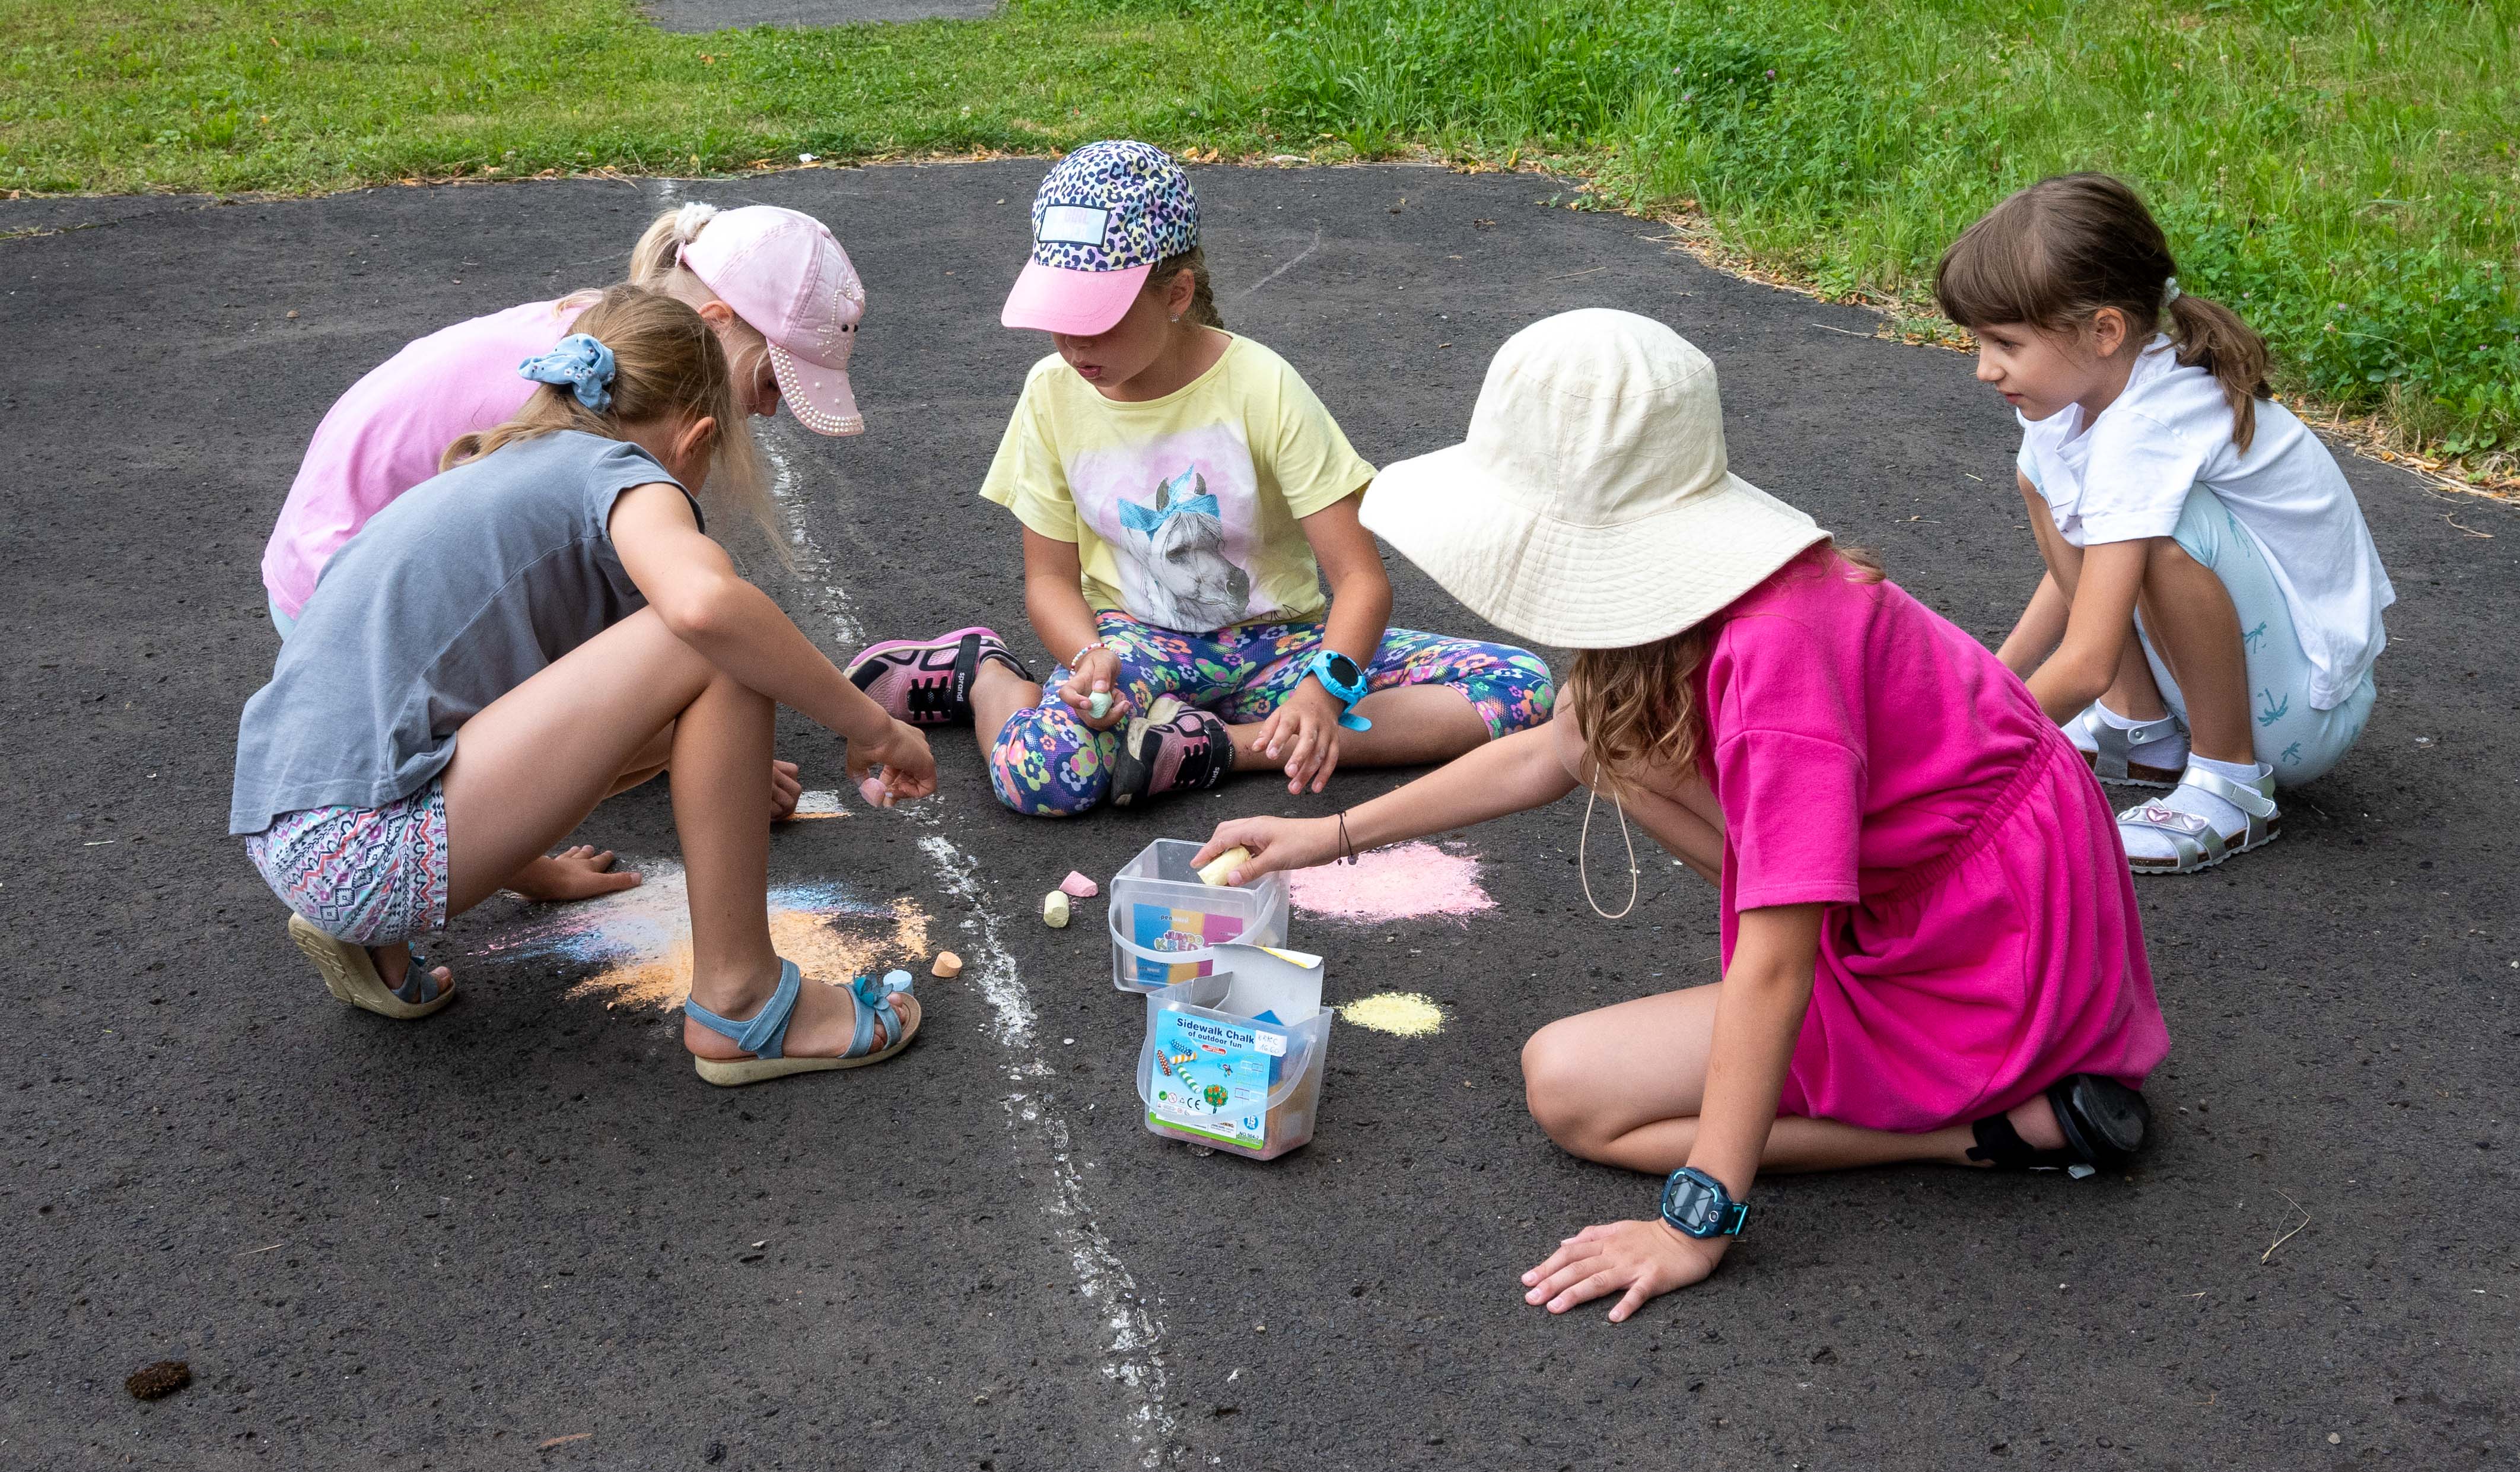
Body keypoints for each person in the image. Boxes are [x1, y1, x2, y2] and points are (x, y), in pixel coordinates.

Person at [1194, 310, 2169, 1321]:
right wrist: (1327, 838)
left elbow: (1776, 961)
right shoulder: (1745, 591)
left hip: (1984, 958)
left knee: (1569, 1088)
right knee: (1597, 727)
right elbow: (1555, 749)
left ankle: (1991, 1129)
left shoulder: (1777, 661)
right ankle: (1958, 1090)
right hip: (1964, 890)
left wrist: (1695, 1221)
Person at [231, 287, 934, 1087]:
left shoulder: (490, 469)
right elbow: (706, 610)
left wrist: (532, 870)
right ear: (697, 438)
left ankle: (373, 945)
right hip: (367, 853)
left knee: (672, 694)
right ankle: (741, 997)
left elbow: (490, 719)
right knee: (716, 650)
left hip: (296, 834)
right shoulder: (621, 472)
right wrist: (873, 727)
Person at [847, 140, 1554, 815]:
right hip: (1135, 646)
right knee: (1041, 774)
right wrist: (1089, 658)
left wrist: (1322, 693)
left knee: (1521, 688)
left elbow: (1361, 582)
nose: (1073, 343)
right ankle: (986, 677)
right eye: (1058, 316)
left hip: (1279, 647)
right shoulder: (1050, 393)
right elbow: (1049, 581)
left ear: (1177, 292)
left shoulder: (1263, 386)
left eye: (1096, 318)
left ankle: (1209, 748)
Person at [259, 200, 868, 898]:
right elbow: (677, 618)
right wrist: (722, 750)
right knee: (700, 651)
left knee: (666, 663)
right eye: (770, 381)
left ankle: (389, 914)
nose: (768, 409)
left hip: (321, 729)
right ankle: (735, 979)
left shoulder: (590, 358)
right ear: (714, 324)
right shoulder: (573, 420)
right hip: (340, 632)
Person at [1936, 173, 2394, 874]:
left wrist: (1967, 752)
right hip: (2236, 674)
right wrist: (1994, 685)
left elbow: (2087, 657)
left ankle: (2229, 783)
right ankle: (2139, 727)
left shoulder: (2146, 428)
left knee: (2165, 527)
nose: (1983, 369)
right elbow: (2090, 572)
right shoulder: (2074, 406)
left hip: (2305, 709)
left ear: (2104, 331)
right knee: (2041, 471)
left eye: (2004, 343)